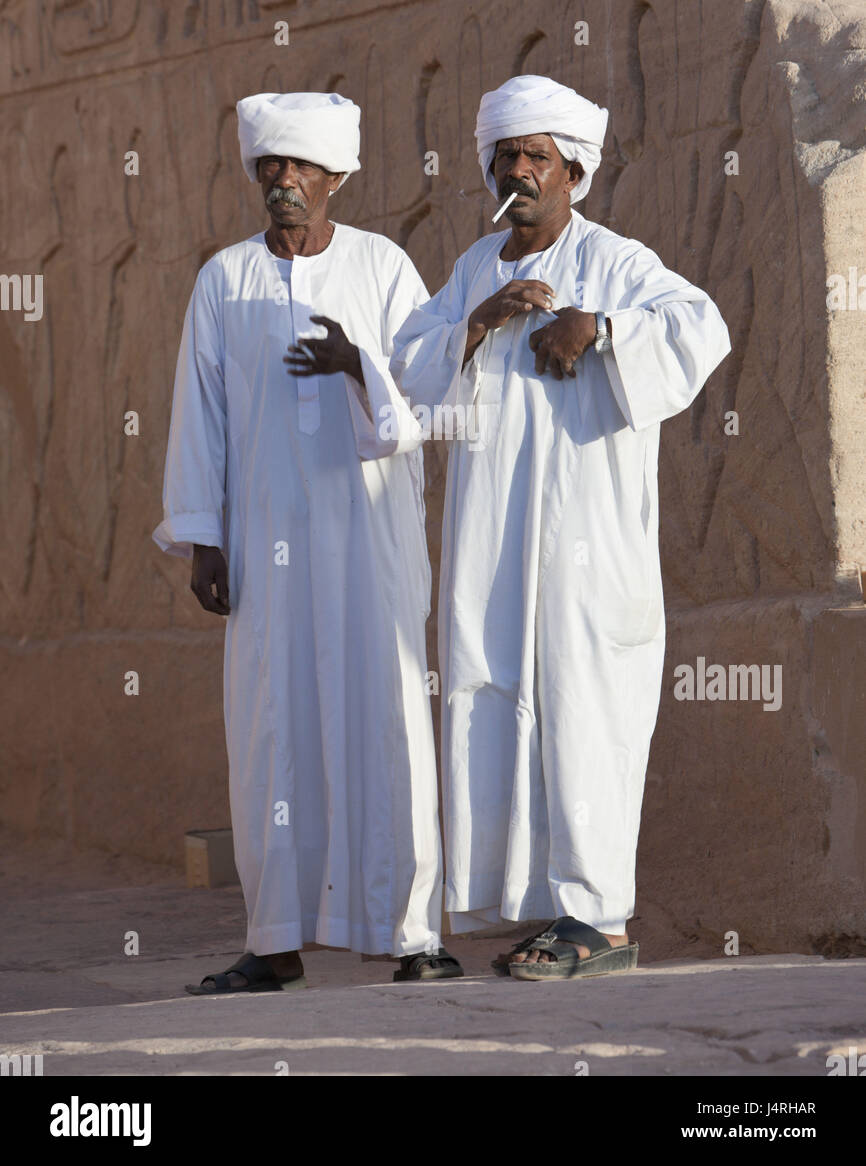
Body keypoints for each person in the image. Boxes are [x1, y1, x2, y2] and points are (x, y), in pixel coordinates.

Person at [391, 74, 731, 980]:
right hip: (493, 544)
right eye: (506, 156)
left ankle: (601, 920)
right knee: (493, 695)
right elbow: (408, 362)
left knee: (587, 708)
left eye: (537, 157)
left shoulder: (617, 259)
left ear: (573, 172)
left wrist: (602, 327)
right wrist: (479, 320)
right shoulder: (473, 266)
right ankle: (542, 907)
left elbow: (703, 326)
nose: (519, 171)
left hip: (589, 544)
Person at [153, 90, 463, 992]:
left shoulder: (383, 267)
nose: (285, 183)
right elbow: (197, 415)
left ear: (337, 177)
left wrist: (354, 366)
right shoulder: (223, 280)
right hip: (266, 539)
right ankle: (274, 938)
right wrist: (204, 539)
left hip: (369, 535)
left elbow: (422, 400)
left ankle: (412, 934)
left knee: (391, 716)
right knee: (270, 726)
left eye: (302, 169)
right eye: (270, 168)